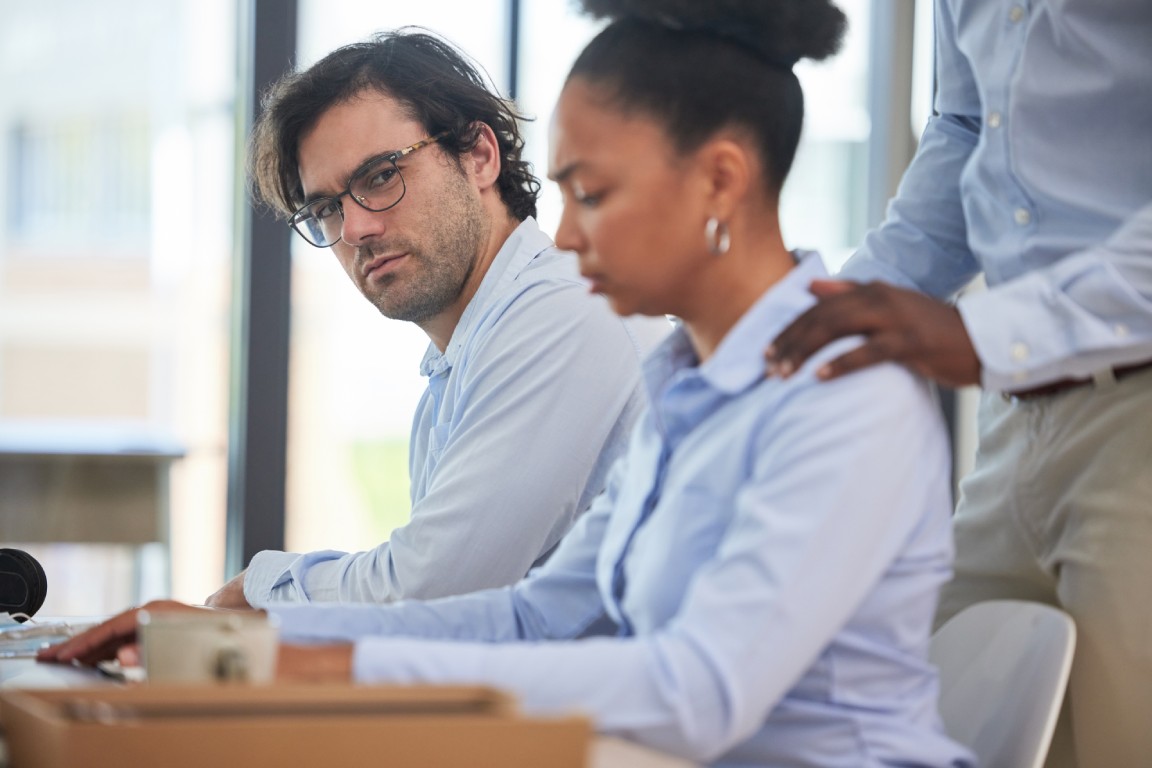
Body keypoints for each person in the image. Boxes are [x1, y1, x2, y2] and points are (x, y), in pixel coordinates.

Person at [42, 2, 973, 765]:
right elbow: (541, 611)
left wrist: (313, 667)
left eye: (595, 195)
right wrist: (267, 649)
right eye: (328, 210)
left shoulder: (843, 390)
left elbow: (696, 694)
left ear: (720, 180)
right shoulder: (688, 383)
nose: (565, 236)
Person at [764, 3, 1152, 766]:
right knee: (936, 726)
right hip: (1018, 413)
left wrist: (979, 333)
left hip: (1133, 400)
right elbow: (968, 131)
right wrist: (836, 313)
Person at [206, 30, 669, 608]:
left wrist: (257, 587)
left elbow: (426, 592)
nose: (354, 230)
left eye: (380, 176)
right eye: (326, 208)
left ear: (479, 156)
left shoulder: (564, 310)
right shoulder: (456, 371)